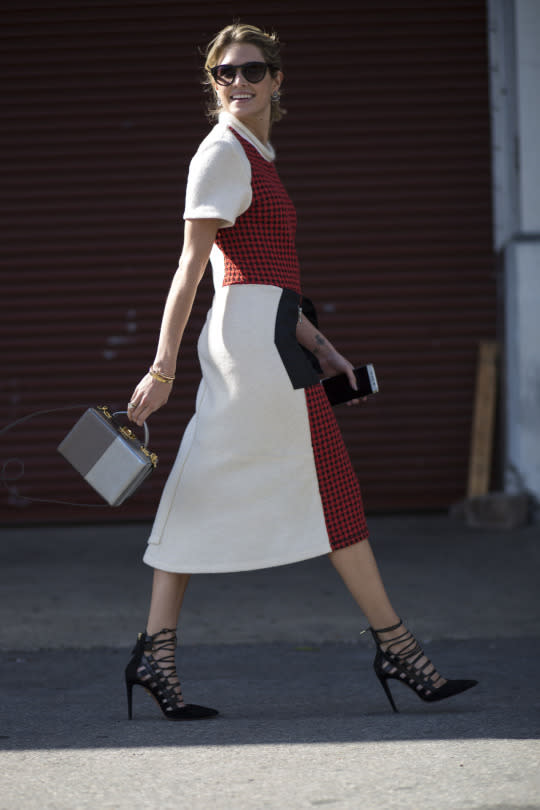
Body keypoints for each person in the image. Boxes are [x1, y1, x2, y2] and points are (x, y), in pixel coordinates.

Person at [124, 22, 477, 721]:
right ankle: (397, 647)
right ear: (212, 82)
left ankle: (154, 655)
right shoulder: (221, 153)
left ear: (278, 79)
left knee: (208, 487)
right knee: (330, 491)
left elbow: (263, 275)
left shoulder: (256, 152)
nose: (239, 84)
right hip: (251, 349)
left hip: (271, 336)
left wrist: (321, 345)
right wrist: (161, 366)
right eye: (225, 74)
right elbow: (195, 268)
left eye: (253, 71)